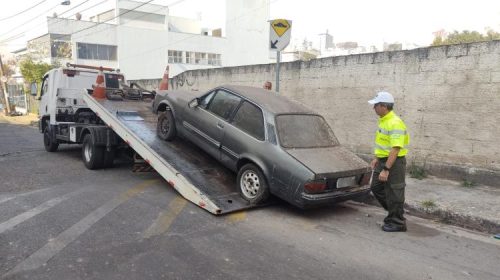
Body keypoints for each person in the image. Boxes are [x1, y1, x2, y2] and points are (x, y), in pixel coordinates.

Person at [368, 91, 410, 232]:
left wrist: (386, 169)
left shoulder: (395, 123)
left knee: (395, 192)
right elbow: (383, 144)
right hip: (383, 160)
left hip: (394, 163)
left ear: (384, 106)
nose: (374, 108)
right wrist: (377, 158)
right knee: (376, 187)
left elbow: (395, 149)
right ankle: (394, 213)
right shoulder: (384, 120)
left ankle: (398, 222)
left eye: (376, 105)